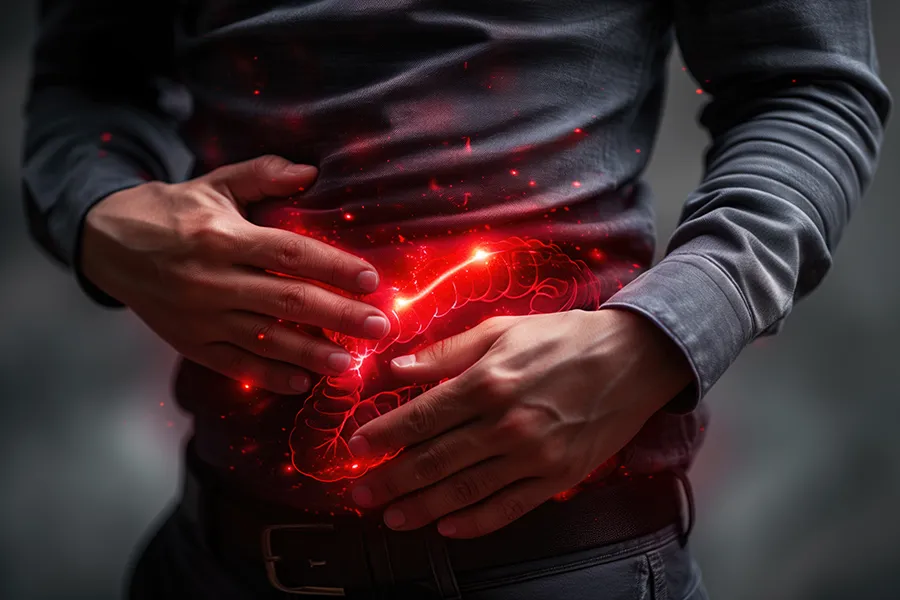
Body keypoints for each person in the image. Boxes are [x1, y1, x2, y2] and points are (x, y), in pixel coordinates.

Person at [22, 0, 890, 598]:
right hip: (213, 558)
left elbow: (808, 86)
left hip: (561, 566)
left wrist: (658, 338)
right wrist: (101, 220)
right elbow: (89, 85)